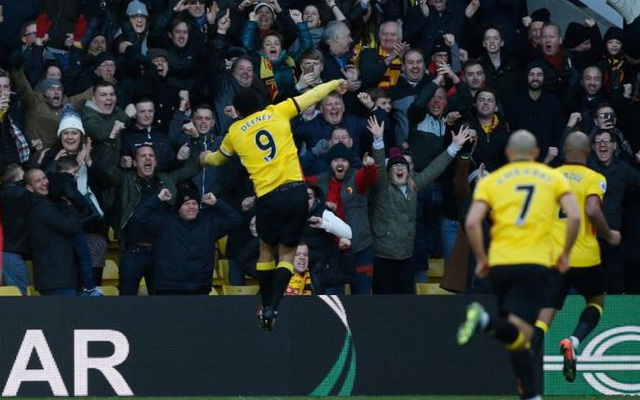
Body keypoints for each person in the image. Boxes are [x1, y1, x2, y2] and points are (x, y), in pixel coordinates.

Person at [200, 78, 349, 331]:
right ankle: (274, 306)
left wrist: (205, 158)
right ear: (261, 104)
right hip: (296, 192)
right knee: (288, 254)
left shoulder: (234, 133)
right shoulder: (277, 111)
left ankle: (266, 301)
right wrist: (335, 82)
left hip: (268, 196)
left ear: (236, 112)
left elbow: (217, 159)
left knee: (266, 251)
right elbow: (312, 95)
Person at [457, 130, 581, 400]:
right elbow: (574, 216)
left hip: (501, 264)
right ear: (536, 154)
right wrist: (565, 253)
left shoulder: (493, 180)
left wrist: (481, 259)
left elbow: (471, 222)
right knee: (524, 333)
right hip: (535, 263)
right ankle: (486, 320)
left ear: (509, 154)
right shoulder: (553, 177)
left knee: (519, 336)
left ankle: (531, 395)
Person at [532, 131, 621, 383]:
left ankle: (528, 356)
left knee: (546, 311)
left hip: (555, 257)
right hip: (585, 257)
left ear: (564, 151)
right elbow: (592, 209)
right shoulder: (595, 177)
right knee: (595, 300)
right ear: (587, 152)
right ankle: (573, 340)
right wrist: (608, 234)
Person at [134, 184, 243, 295]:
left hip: (200, 288)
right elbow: (139, 216)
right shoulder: (165, 223)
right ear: (179, 208)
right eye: (186, 204)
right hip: (169, 288)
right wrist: (158, 198)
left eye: (194, 203)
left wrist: (216, 203)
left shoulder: (208, 223)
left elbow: (237, 220)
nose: (191, 207)